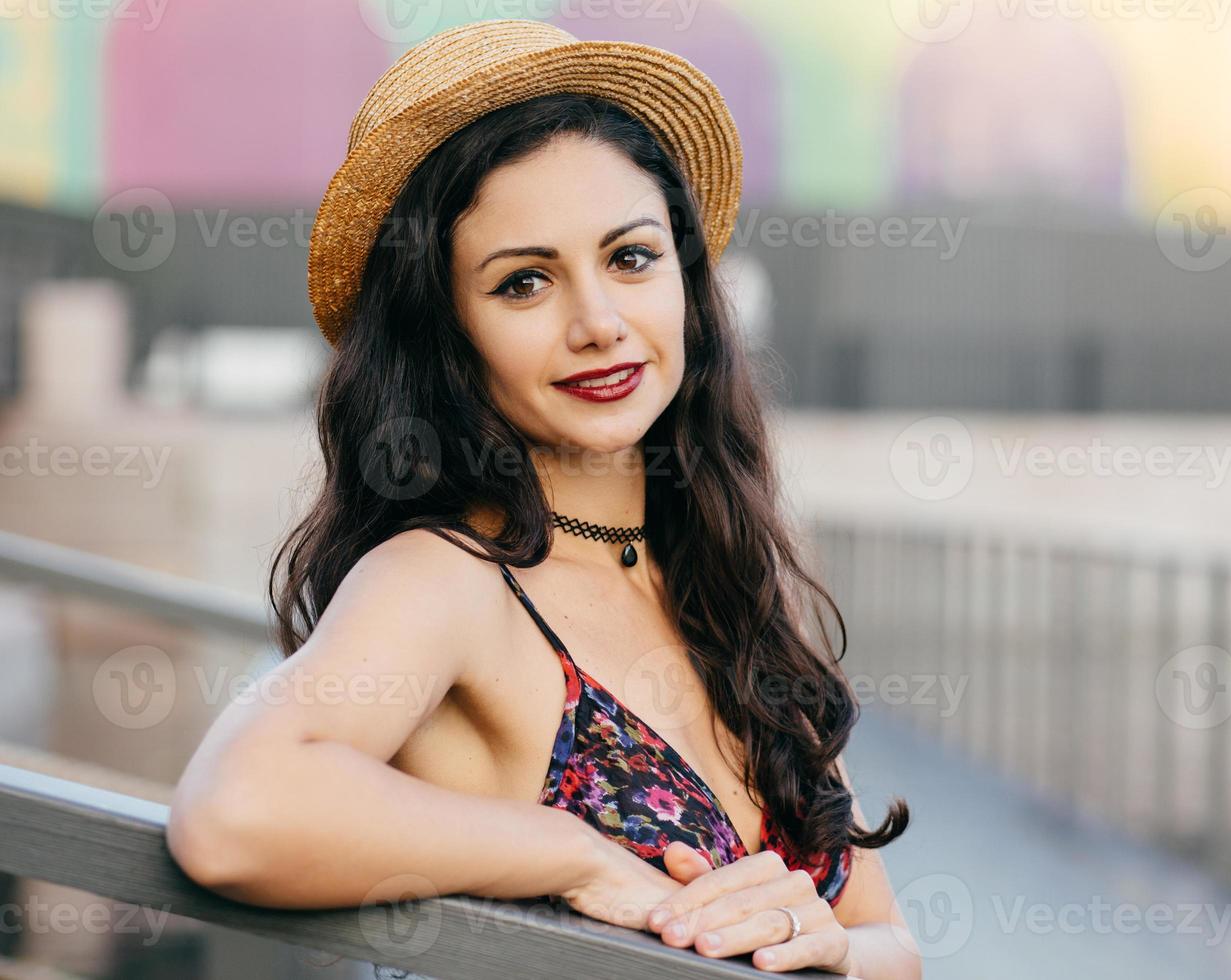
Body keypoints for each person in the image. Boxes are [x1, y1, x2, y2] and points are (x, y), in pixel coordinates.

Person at [165, 19, 917, 979]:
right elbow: (234, 814)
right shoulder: (448, 576)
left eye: (632, 259)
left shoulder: (725, 579)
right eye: (525, 282)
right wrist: (573, 856)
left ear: (687, 285)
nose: (598, 323)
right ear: (449, 333)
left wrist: (833, 952)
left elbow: (890, 937)